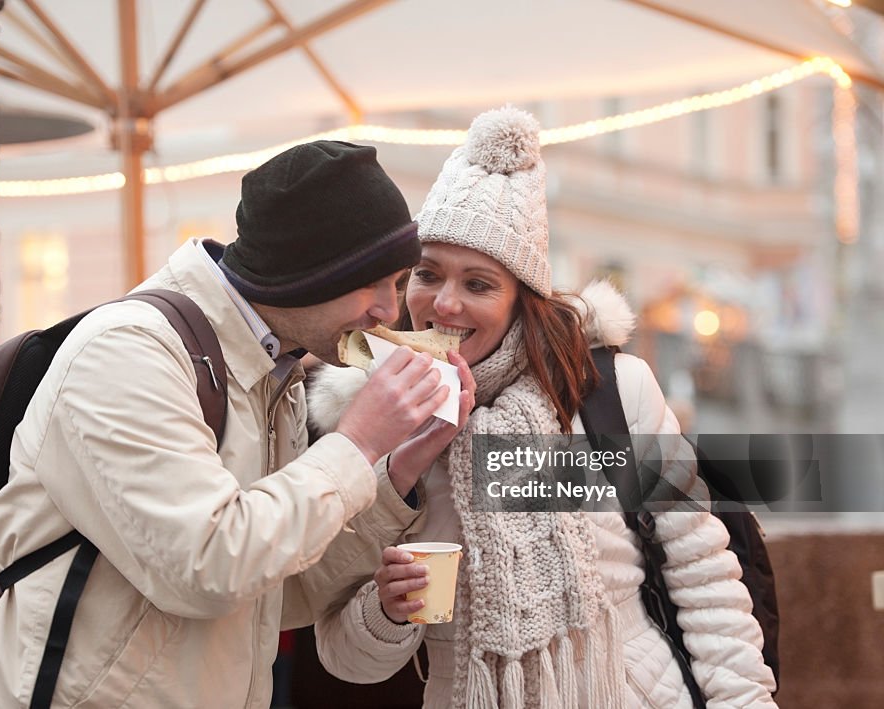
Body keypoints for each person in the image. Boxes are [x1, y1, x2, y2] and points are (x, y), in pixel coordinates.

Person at [0, 140, 471, 707]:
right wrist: (358, 441)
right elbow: (210, 568)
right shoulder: (127, 352)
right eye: (375, 282)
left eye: (398, 282)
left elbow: (277, 591)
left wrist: (398, 470)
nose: (389, 311)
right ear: (309, 274)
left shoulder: (271, 371)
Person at [309, 108, 778, 707]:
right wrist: (388, 610)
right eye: (427, 274)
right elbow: (346, 659)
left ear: (520, 301)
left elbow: (702, 570)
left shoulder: (612, 392)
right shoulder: (371, 422)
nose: (445, 304)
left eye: (479, 284)